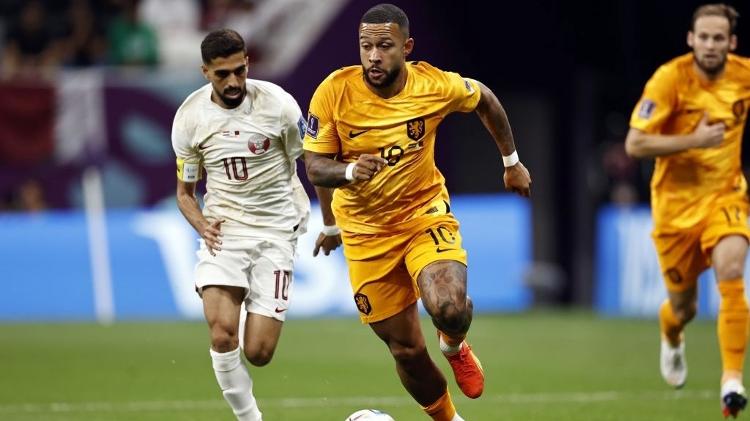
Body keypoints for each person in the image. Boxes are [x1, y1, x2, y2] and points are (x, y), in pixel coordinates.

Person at [303, 4, 531, 420]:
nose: (373, 56)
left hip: (422, 213)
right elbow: (315, 165)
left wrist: (511, 162)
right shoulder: (333, 92)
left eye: (384, 46)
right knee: (406, 350)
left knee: (449, 306)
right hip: (365, 232)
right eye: (366, 46)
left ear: (406, 47)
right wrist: (342, 195)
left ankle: (454, 343)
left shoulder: (434, 86)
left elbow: (485, 99)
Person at [171, 29, 311, 421]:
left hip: (276, 231)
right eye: (222, 75)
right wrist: (202, 225)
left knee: (259, 353)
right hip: (225, 231)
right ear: (205, 72)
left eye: (238, 71)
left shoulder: (279, 106)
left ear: (247, 62)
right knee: (221, 332)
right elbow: (185, 192)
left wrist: (331, 224)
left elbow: (311, 164)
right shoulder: (190, 118)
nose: (233, 82)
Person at [625, 3, 750, 418]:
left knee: (732, 271)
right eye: (705, 37)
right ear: (691, 39)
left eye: (720, 38)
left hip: (726, 197)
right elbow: (635, 144)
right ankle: (671, 331)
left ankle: (731, 380)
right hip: (675, 210)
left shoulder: (743, 75)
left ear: (731, 43)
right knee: (685, 309)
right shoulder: (670, 79)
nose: (711, 45)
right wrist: (692, 140)